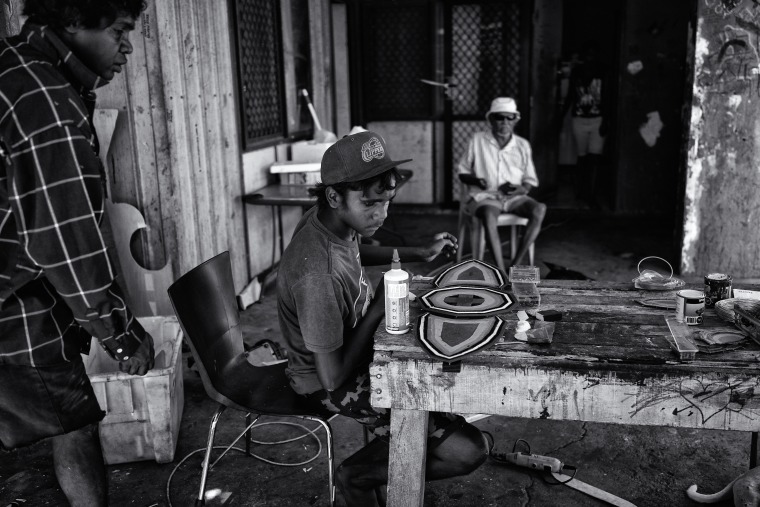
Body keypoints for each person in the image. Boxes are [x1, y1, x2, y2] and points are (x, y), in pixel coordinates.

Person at [277, 131, 488, 506]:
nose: (381, 215)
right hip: (325, 378)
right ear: (333, 196)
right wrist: (376, 310)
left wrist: (419, 252)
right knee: (467, 450)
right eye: (371, 204)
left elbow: (355, 252)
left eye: (387, 202)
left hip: (354, 347)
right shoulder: (316, 275)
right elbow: (331, 378)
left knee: (438, 367)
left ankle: (405, 447)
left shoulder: (331, 221)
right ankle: (355, 478)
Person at [0, 1, 153, 505]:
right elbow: (67, 245)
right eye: (119, 30)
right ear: (73, 20)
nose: (127, 45)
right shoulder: (47, 102)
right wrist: (124, 337)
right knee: (75, 423)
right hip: (16, 307)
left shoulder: (13, 64)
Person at [457, 97, 546, 274]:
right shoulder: (478, 140)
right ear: (491, 119)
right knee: (489, 215)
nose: (505, 122)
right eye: (499, 117)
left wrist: (523, 188)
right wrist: (476, 180)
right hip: (486, 197)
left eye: (509, 117)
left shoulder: (522, 145)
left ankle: (515, 264)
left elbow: (529, 178)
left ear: (515, 120)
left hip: (514, 197)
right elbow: (462, 171)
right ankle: (501, 272)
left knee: (539, 209)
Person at [563, 40, 609, 207]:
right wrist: (560, 118)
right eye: (587, 54)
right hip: (579, 120)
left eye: (593, 54)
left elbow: (609, 96)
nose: (590, 58)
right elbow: (570, 96)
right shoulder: (577, 72)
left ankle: (592, 195)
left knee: (595, 158)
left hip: (598, 120)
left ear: (596, 55)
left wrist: (607, 120)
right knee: (582, 158)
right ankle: (582, 191)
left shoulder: (603, 71)